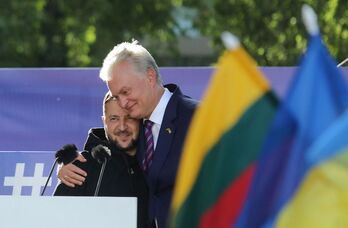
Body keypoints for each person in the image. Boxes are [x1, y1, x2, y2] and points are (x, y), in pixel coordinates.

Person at [58, 40, 198, 227]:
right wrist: (70, 165)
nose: (123, 103)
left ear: (150, 77)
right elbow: (114, 149)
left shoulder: (198, 118)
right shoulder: (142, 129)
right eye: (117, 96)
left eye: (126, 91)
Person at [54, 91, 149, 228]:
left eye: (129, 118)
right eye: (114, 119)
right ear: (104, 121)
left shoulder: (156, 161)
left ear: (141, 119)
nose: (122, 127)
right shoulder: (81, 167)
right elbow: (56, 219)